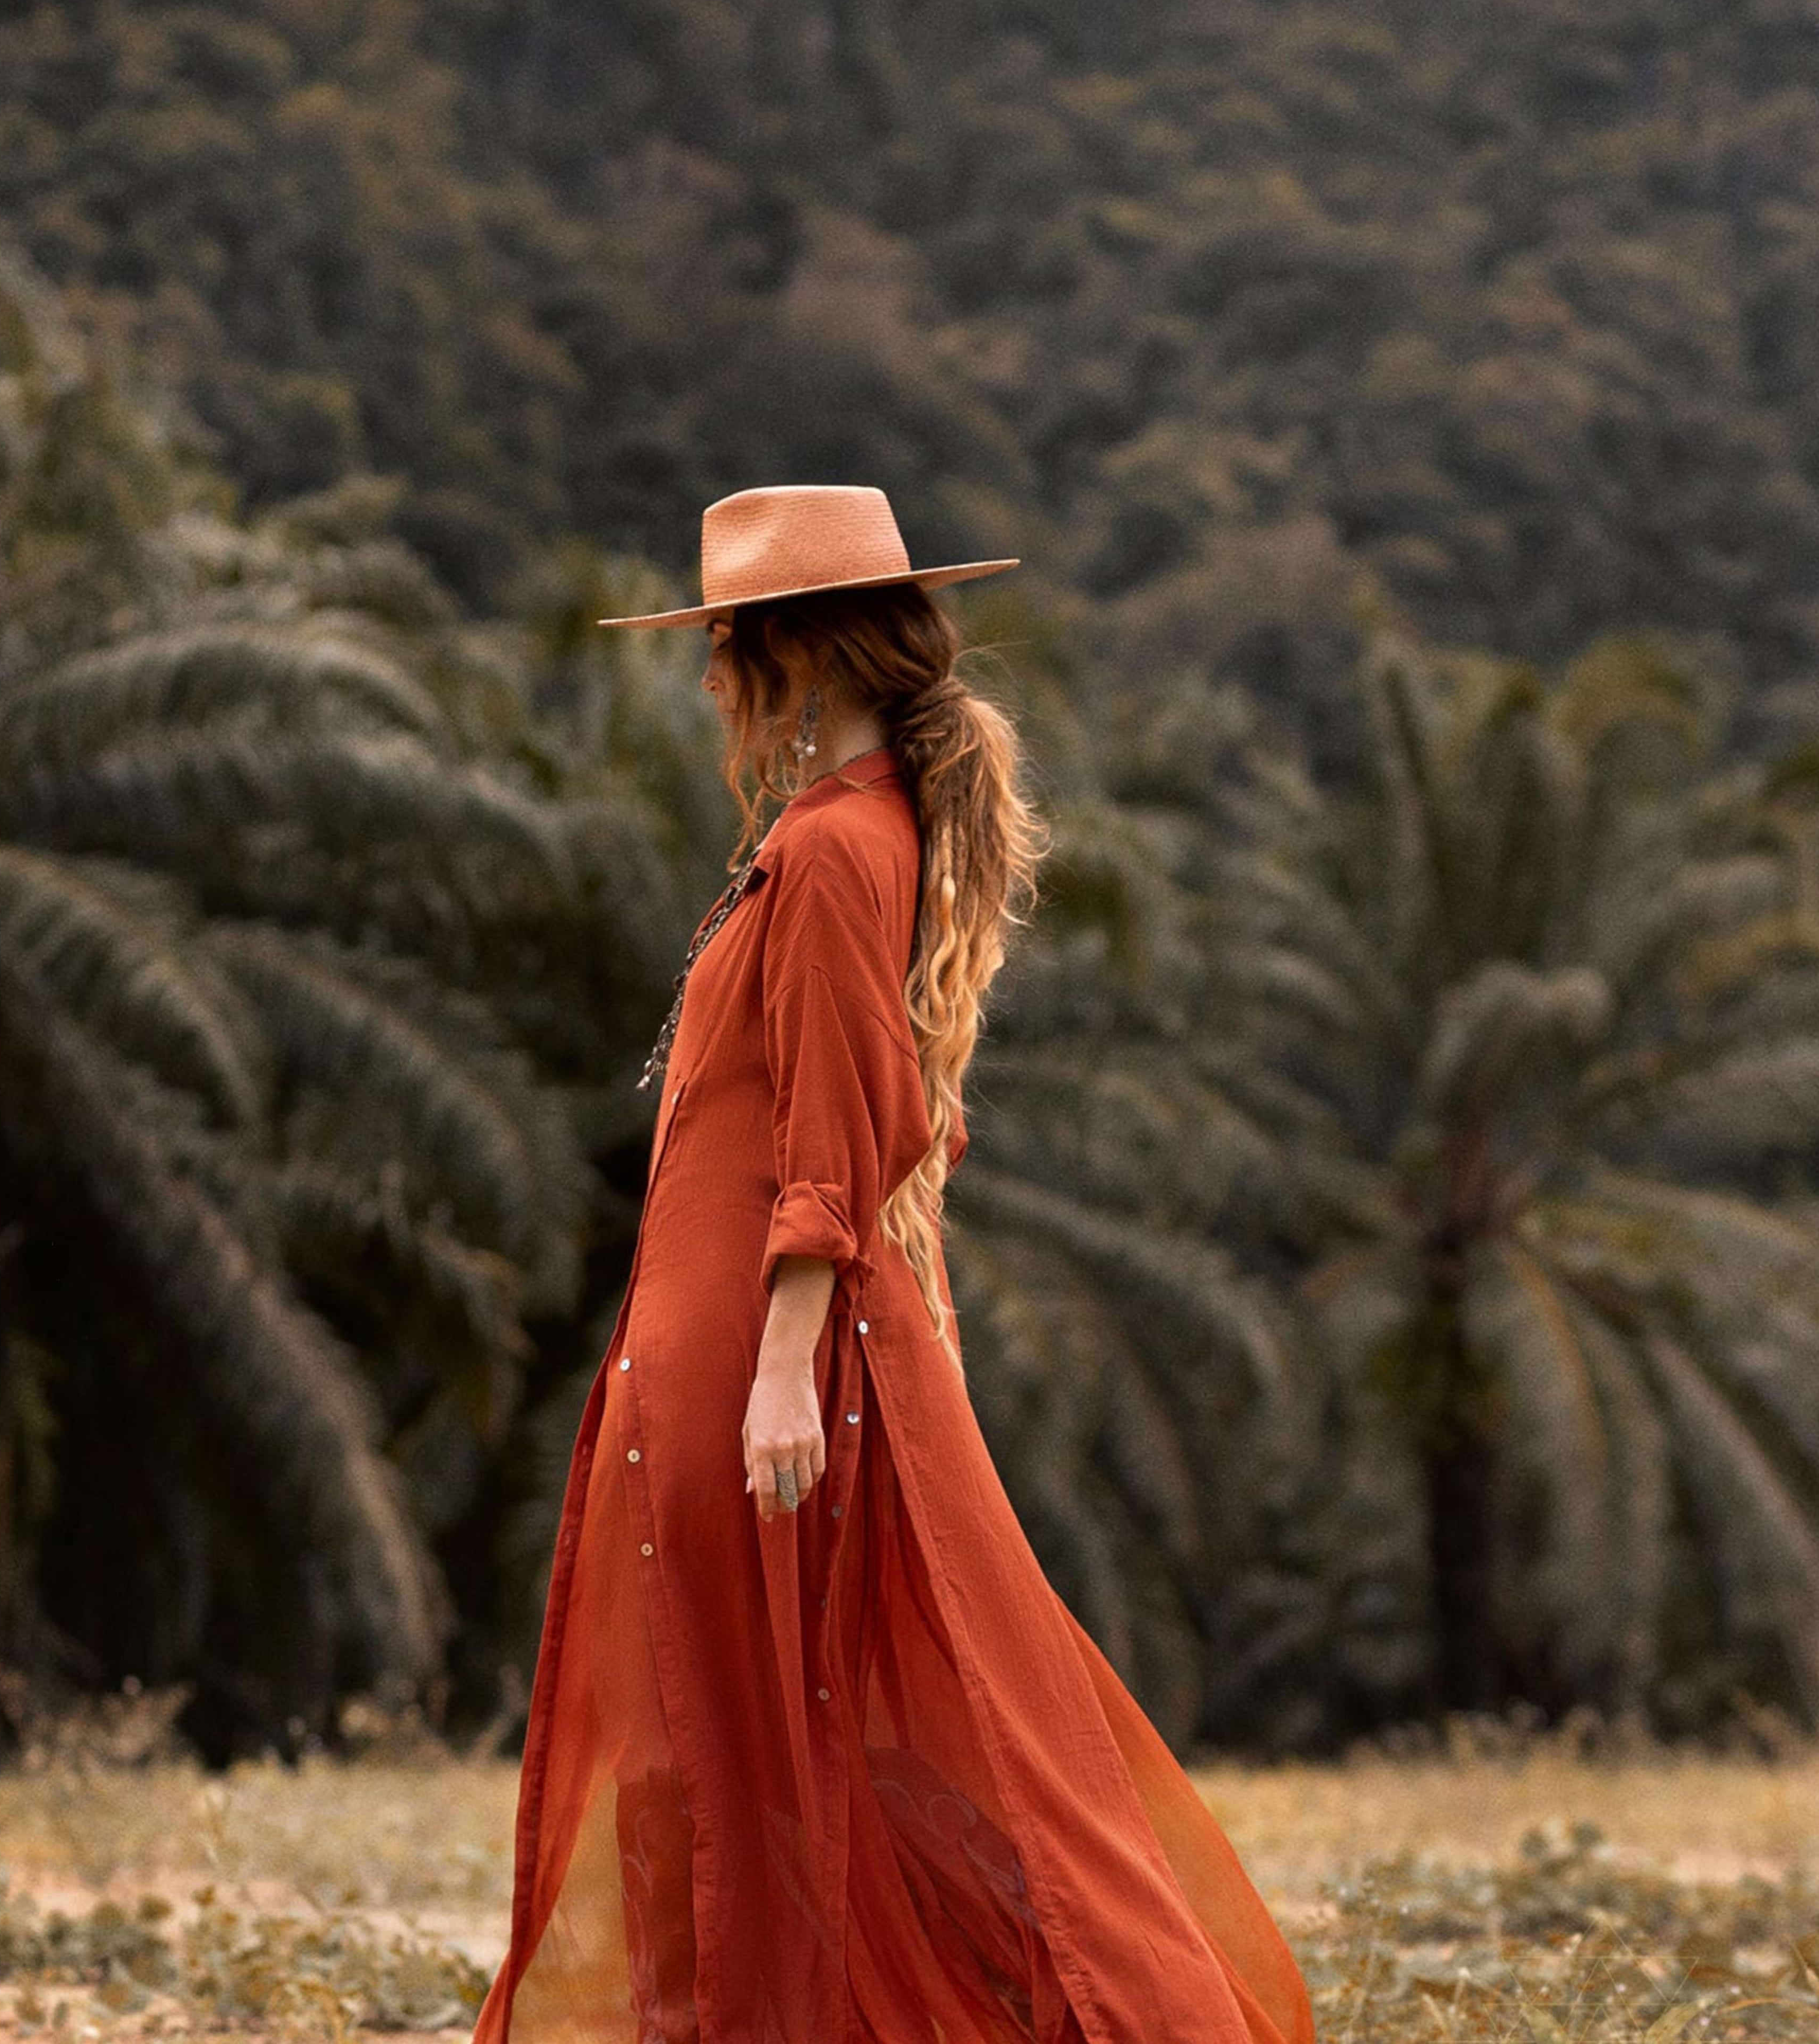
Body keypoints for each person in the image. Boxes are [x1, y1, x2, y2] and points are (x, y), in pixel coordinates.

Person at [473, 485, 1317, 2044]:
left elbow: (845, 1118)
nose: (713, 677)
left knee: (753, 1733)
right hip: (725, 1327)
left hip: (752, 1342)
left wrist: (787, 1360)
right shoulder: (841, 836)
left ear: (798, 653)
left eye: (726, 643)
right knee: (746, 1731)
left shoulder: (837, 851)